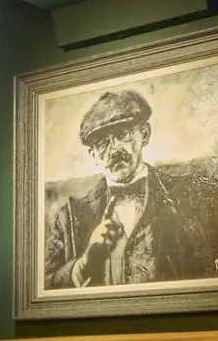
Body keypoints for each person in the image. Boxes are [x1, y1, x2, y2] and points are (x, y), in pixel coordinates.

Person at [45, 89, 187, 289]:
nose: (114, 150)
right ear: (93, 155)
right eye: (103, 143)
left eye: (123, 134)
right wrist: (82, 265)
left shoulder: (184, 197)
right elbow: (42, 286)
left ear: (144, 134)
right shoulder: (67, 217)